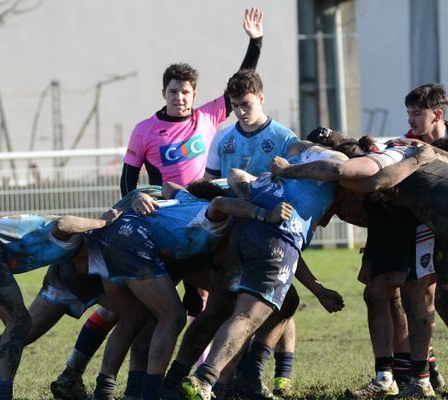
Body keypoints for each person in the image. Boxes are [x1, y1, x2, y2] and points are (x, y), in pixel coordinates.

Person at [269, 140, 448, 397]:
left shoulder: (383, 159)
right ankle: (398, 376)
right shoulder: (396, 154)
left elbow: (350, 174)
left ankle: (421, 378)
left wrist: (287, 170)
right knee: (434, 300)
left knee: (417, 296)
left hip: (447, 223)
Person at [88, 180, 293, 400]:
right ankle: (151, 394)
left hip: (112, 235)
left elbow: (167, 186)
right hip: (133, 240)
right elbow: (220, 203)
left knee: (132, 318)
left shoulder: (186, 199)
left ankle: (105, 390)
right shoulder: (216, 217)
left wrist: (140, 197)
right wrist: (264, 214)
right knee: (172, 317)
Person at [170, 68, 300, 400]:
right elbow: (209, 185)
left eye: (246, 104)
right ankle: (185, 378)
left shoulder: (285, 138)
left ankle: (248, 375)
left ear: (261, 99)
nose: (241, 111)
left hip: (270, 232)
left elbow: (294, 189)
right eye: (235, 105)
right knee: (222, 307)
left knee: (278, 303)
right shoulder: (224, 138)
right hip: (229, 236)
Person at [181, 147, 347, 400]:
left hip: (244, 234)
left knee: (256, 306)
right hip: (275, 238)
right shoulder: (336, 165)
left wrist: (318, 289)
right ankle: (205, 379)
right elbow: (336, 169)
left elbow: (237, 175)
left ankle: (213, 380)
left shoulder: (295, 156)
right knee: (247, 316)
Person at [0, 212, 120, 400]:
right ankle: (2, 395)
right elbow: (64, 223)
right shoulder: (75, 237)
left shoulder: (71, 254)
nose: (91, 270)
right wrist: (104, 222)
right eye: (94, 263)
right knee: (19, 322)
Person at [119, 7, 264, 194]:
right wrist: (130, 204)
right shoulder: (143, 130)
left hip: (207, 203)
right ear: (163, 93)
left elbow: (240, 83)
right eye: (173, 91)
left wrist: (256, 42)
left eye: (185, 92)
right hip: (169, 206)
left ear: (194, 95)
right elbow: (128, 178)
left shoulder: (208, 115)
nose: (179, 98)